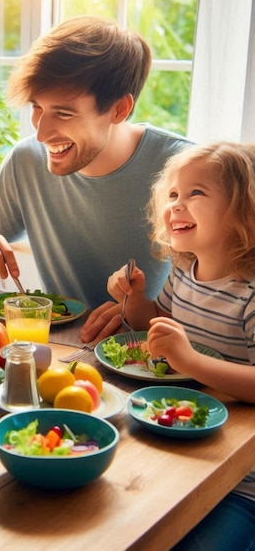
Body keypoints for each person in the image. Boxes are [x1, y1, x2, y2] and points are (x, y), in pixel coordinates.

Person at [0, 16, 193, 344]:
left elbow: (220, 308)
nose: (41, 133)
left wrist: (144, 315)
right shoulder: (26, 161)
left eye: (63, 114)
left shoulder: (182, 171)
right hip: (63, 351)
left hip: (150, 361)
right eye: (37, 107)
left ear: (119, 109)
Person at [107, 141, 255, 549]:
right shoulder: (185, 271)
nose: (176, 204)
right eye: (172, 194)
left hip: (240, 483)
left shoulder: (249, 293)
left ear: (243, 211)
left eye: (196, 193)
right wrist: (136, 300)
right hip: (181, 447)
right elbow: (158, 327)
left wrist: (189, 361)